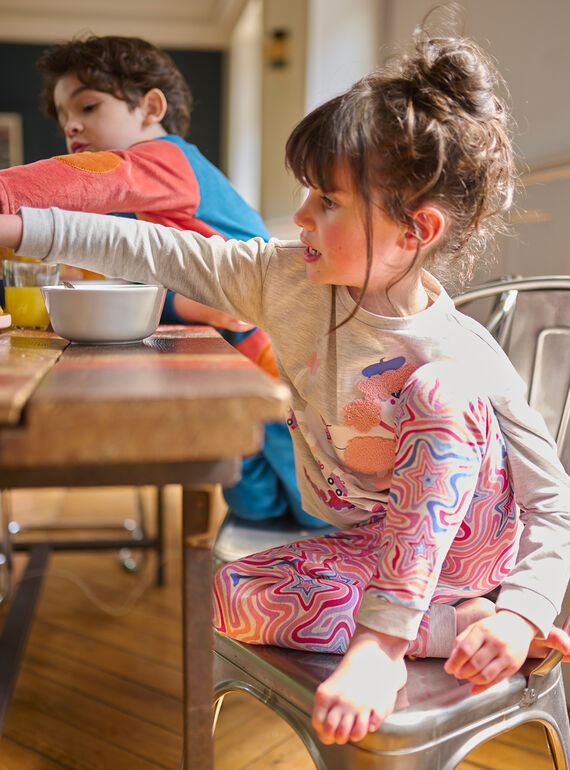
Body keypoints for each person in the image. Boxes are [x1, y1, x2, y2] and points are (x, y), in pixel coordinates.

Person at [0, 25, 569, 747]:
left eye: (327, 201)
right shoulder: (286, 282)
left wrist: (524, 609)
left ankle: (386, 645)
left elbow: (554, 503)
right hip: (376, 542)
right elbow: (150, 246)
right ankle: (447, 624)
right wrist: (20, 228)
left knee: (438, 394)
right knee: (221, 594)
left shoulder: (461, 351)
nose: (300, 217)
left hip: (471, 544)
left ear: (414, 230)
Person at [0, 34, 322, 531]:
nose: (70, 124)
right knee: (256, 505)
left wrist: (5, 194)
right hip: (239, 363)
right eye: (63, 114)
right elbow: (156, 278)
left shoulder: (168, 160)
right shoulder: (142, 202)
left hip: (282, 358)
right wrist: (189, 308)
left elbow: (82, 179)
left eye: (87, 105)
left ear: (151, 107)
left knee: (311, 506)